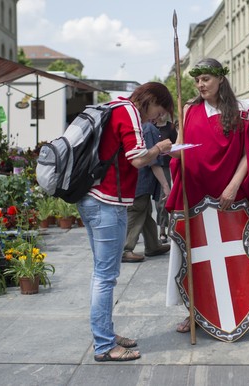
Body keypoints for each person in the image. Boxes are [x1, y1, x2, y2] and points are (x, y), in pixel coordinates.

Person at [76, 82, 174, 362]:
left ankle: (105, 332)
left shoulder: (114, 106)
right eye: (159, 110)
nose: (157, 118)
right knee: (105, 277)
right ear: (150, 100)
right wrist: (159, 147)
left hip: (92, 198)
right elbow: (137, 159)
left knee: (102, 274)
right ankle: (105, 345)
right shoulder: (129, 111)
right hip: (106, 202)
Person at [165, 58, 249, 333]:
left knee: (232, 257)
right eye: (197, 80)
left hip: (229, 198)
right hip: (195, 195)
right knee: (193, 256)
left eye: (205, 78)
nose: (200, 84)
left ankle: (235, 310)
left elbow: (248, 155)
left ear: (220, 78)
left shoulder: (243, 111)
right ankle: (195, 312)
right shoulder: (189, 109)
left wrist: (232, 186)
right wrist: (170, 151)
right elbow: (181, 148)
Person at [122, 121, 171, 263]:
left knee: (144, 212)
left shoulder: (139, 126)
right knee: (136, 212)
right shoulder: (148, 129)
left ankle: (152, 245)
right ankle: (125, 249)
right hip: (140, 182)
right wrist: (165, 185)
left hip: (137, 181)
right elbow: (153, 161)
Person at [154, 119, 177, 244]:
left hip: (165, 166)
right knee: (150, 202)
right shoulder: (150, 126)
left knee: (163, 199)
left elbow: (177, 145)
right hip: (151, 165)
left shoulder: (171, 127)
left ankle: (163, 230)